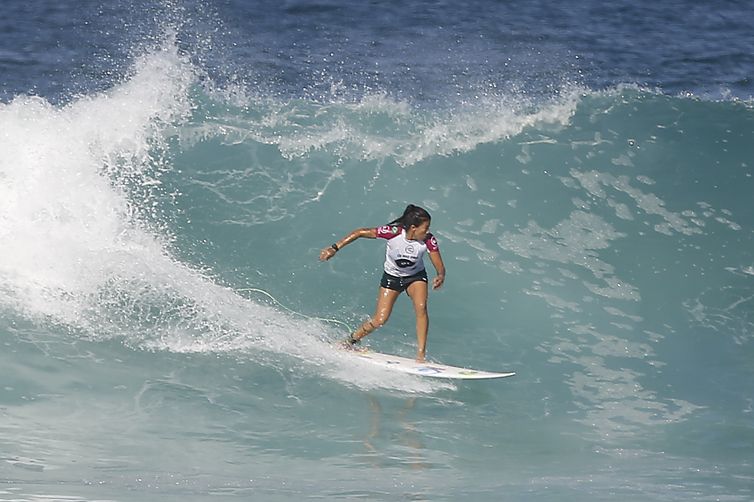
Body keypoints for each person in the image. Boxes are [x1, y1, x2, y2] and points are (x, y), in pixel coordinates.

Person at [319, 204, 446, 362]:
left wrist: (440, 275)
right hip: (392, 277)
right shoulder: (393, 233)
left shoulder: (428, 240)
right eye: (425, 228)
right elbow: (360, 232)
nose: (427, 231)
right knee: (380, 319)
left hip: (415, 277)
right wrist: (334, 248)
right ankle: (350, 341)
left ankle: (420, 355)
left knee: (421, 308)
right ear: (413, 227)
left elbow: (438, 262)